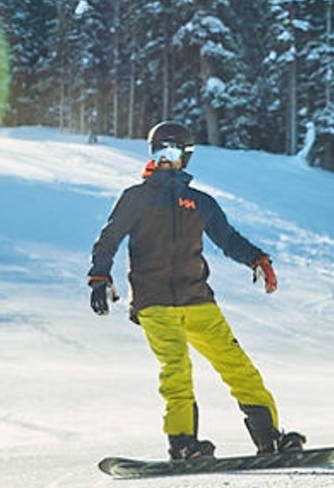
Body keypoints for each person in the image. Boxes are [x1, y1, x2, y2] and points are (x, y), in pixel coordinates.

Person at [88, 121, 304, 461]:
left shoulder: (199, 202)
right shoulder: (136, 198)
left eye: (172, 152)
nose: (164, 158)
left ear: (186, 157)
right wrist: (99, 277)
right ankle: (183, 443)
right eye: (158, 151)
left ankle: (269, 438)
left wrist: (258, 260)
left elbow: (228, 239)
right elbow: (109, 238)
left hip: (198, 298)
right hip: (154, 301)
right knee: (176, 370)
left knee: (238, 366)